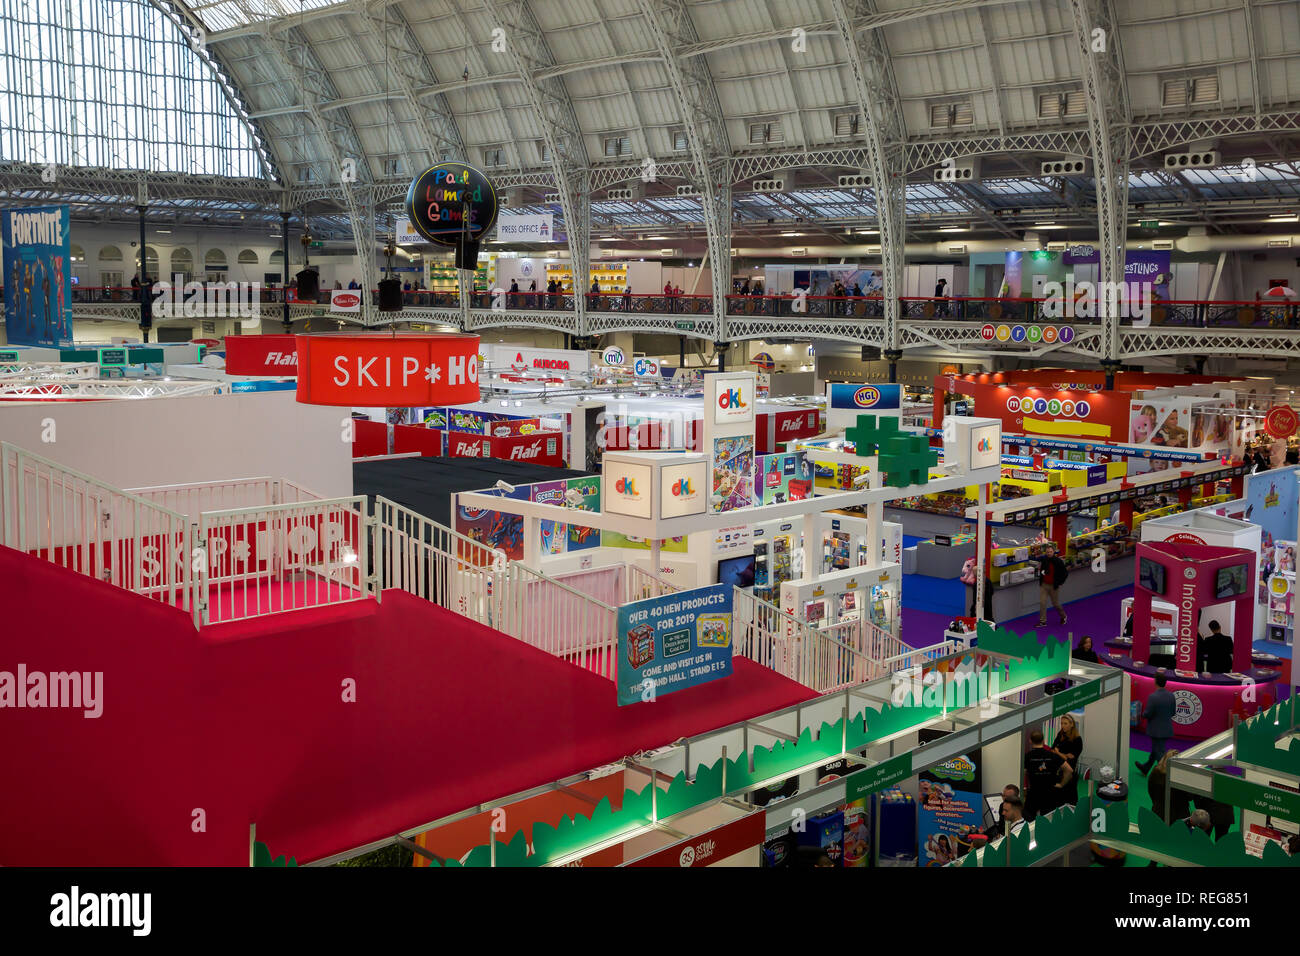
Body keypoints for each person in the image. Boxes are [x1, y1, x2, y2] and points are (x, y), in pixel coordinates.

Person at [1024, 729, 1071, 819]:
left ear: (1030, 741)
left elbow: (1024, 773)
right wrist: (1061, 784)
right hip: (1050, 793)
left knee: (1028, 819)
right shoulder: (1053, 755)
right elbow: (1069, 770)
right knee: (1048, 820)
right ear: (1043, 741)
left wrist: (1025, 788)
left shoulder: (1027, 756)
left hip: (1034, 793)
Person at [1136, 673, 1176, 775]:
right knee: (1156, 750)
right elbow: (1173, 712)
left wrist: (1141, 714)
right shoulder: (1171, 696)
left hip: (1156, 730)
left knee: (1159, 754)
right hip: (1166, 729)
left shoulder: (1153, 697)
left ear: (1155, 682)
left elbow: (1148, 714)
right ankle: (1146, 767)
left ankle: (1164, 775)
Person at [1147, 749, 1192, 823]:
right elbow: (1190, 797)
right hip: (1179, 815)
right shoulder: (1182, 776)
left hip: (1159, 811)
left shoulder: (1156, 771)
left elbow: (1151, 790)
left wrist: (1156, 802)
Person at [1052, 714, 1083, 806]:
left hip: (1069, 773)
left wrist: (1058, 753)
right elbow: (1052, 749)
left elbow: (1070, 759)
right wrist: (1064, 755)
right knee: (1058, 797)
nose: (1063, 726)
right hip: (1058, 771)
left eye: (1065, 723)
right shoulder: (1060, 734)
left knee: (1071, 798)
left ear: (1072, 724)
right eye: (1062, 723)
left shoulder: (1077, 740)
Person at [1036, 544, 1069, 626]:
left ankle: (1063, 616)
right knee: (1042, 602)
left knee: (1055, 604)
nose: (1049, 553)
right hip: (1044, 585)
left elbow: (1065, 573)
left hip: (1053, 586)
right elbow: (1041, 567)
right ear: (1045, 552)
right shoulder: (1044, 559)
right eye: (1047, 552)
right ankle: (1043, 621)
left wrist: (1060, 582)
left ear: (1054, 552)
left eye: (1050, 552)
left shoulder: (1058, 561)